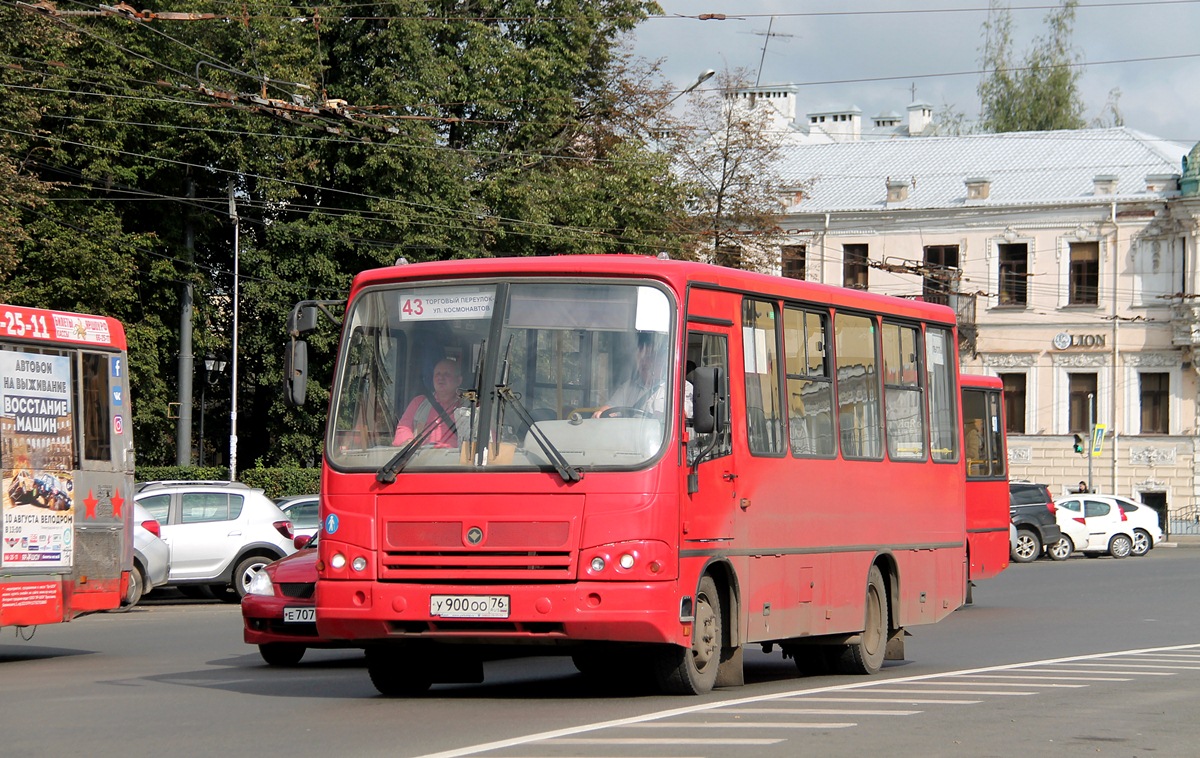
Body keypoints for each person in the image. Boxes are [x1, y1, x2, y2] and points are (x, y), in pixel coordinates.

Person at [392, 358, 463, 447]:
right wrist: (408, 442)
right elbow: (403, 428)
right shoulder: (418, 403)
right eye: (437, 374)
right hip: (422, 459)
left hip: (454, 460)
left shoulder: (468, 407)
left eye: (446, 374)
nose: (440, 378)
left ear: (459, 381)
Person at [594, 333, 669, 417]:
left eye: (648, 357)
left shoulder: (678, 388)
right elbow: (610, 407)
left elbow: (680, 418)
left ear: (661, 360)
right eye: (640, 357)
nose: (643, 363)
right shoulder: (628, 387)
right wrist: (600, 414)